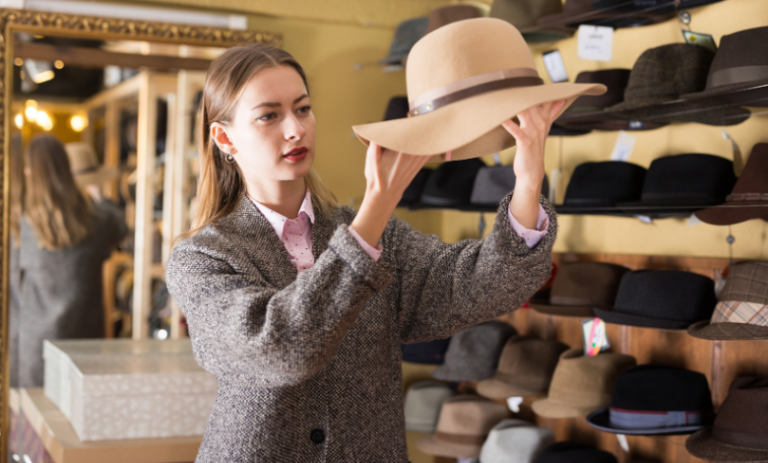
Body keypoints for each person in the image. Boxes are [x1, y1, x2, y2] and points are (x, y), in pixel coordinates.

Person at [166, 44, 562, 462]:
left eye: (302, 109)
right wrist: (376, 208)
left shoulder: (373, 232)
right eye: (270, 115)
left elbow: (479, 287)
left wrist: (528, 179)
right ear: (225, 137)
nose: (296, 129)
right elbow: (280, 353)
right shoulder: (202, 258)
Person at [16, 135, 127, 387]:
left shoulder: (22, 227)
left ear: (30, 173)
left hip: (36, 345)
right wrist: (101, 197)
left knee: (38, 421)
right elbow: (121, 228)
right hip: (85, 343)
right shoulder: (98, 221)